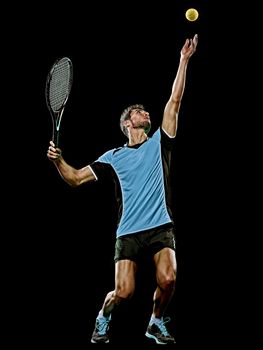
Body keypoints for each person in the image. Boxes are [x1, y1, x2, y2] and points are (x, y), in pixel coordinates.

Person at [47, 34, 198, 345]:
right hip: (128, 231)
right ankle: (103, 316)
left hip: (160, 225)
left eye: (146, 112)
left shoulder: (160, 143)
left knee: (169, 279)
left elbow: (175, 101)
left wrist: (183, 61)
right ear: (128, 123)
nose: (147, 113)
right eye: (140, 112)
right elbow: (74, 178)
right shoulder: (112, 158)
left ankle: (155, 322)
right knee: (124, 293)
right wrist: (58, 161)